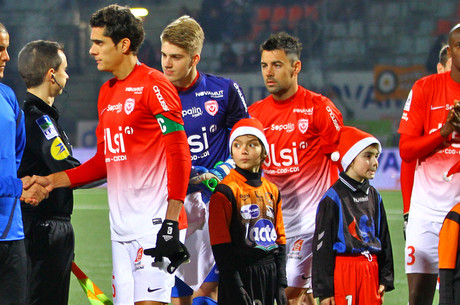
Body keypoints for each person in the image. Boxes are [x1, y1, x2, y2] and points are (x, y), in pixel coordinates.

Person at [27, 5, 192, 305]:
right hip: (120, 232)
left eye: (99, 42)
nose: (91, 50)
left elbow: (179, 152)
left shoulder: (155, 85)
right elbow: (104, 162)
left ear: (124, 45)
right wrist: (50, 181)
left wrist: (170, 222)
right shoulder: (107, 92)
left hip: (154, 228)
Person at [248, 32, 343, 305]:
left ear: (296, 67)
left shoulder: (319, 109)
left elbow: (343, 161)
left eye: (277, 65)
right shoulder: (255, 115)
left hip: (312, 225)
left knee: (285, 294)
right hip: (271, 227)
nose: (269, 72)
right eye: (264, 65)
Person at [160, 15, 249, 305]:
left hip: (217, 205)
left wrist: (223, 170)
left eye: (176, 57)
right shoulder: (153, 95)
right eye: (164, 55)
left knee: (207, 294)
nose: (167, 63)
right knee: (179, 293)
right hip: (173, 208)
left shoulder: (224, 91)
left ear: (195, 58)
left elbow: (249, 141)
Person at [398, 23, 460, 305]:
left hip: (458, 215)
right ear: (450, 51)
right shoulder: (425, 88)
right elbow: (407, 151)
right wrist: (443, 132)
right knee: (419, 296)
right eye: (459, 45)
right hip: (427, 216)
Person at [16, 40, 79, 305]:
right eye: (64, 69)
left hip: (41, 227)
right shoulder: (39, 119)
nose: (67, 75)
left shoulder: (36, 115)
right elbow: (66, 167)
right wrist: (113, 164)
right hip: (44, 229)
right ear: (51, 74)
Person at [208, 117, 287, 305]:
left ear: (264, 152)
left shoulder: (272, 190)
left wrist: (280, 284)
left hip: (268, 274)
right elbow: (221, 246)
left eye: (251, 145)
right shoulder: (225, 191)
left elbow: (280, 239)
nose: (243, 150)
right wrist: (236, 286)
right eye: (237, 145)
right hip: (239, 275)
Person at [312, 126, 394, 305]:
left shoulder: (374, 195)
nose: (375, 162)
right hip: (345, 270)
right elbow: (322, 247)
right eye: (368, 156)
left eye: (376, 156)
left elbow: (384, 238)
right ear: (350, 160)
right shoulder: (333, 197)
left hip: (370, 270)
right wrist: (325, 291)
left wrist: (385, 277)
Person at [0, 22, 50, 305]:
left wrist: (19, 185)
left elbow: (16, 156)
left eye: (7, 49)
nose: (6, 57)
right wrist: (18, 187)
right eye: (0, 49)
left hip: (12, 234)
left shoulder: (7, 97)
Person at [401, 41, 453, 239]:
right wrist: (407, 211)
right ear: (440, 68)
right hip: (430, 209)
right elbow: (408, 157)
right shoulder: (426, 96)